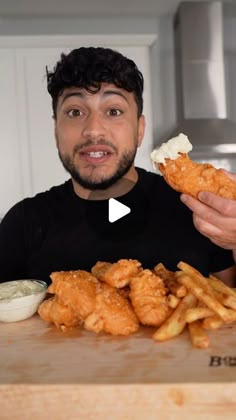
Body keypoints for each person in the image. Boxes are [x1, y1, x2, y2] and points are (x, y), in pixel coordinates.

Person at [0, 46, 235, 286]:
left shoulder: (201, 209)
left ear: (139, 130)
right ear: (56, 131)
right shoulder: (23, 223)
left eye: (113, 111)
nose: (93, 129)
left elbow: (229, 299)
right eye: (74, 112)